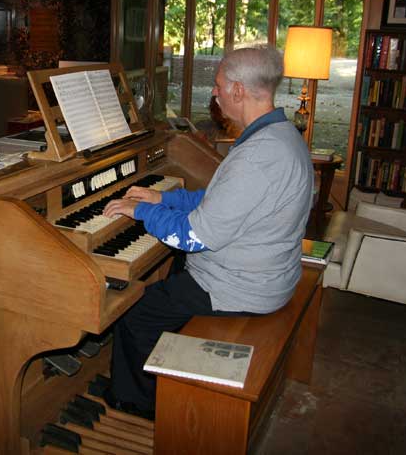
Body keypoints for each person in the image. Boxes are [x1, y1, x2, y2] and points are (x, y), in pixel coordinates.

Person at [101, 46, 314, 419]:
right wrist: (165, 197)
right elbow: (221, 199)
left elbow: (195, 237)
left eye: (217, 87)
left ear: (237, 91)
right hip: (267, 274)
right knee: (172, 272)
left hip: (242, 289)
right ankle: (166, 362)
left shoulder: (257, 156)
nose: (214, 94)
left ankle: (142, 403)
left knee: (134, 315)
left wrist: (142, 211)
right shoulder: (280, 134)